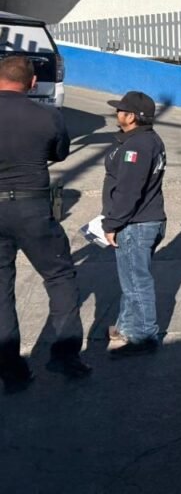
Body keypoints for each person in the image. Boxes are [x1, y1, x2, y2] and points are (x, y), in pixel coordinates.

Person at [0, 56, 89, 391]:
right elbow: (59, 152)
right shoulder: (48, 115)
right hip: (32, 207)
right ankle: (65, 356)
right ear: (33, 82)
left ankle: (11, 370)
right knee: (59, 276)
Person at [102, 91, 168, 356]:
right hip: (143, 220)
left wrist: (112, 223)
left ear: (131, 117)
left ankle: (143, 337)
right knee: (131, 280)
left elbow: (129, 190)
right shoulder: (145, 140)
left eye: (120, 110)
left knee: (136, 282)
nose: (116, 113)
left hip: (137, 223)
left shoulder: (137, 145)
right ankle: (127, 327)